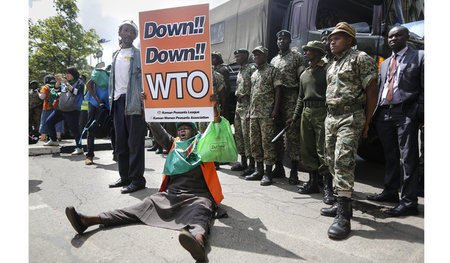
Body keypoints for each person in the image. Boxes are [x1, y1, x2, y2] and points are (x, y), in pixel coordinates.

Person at [65, 103, 225, 262]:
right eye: (179, 128)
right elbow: (159, 131)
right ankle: (89, 220)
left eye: (186, 128)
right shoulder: (173, 145)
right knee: (139, 207)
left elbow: (217, 130)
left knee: (200, 213)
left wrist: (214, 110)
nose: (182, 130)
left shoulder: (203, 145)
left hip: (198, 196)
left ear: (194, 131)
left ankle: (198, 243)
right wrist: (149, 108)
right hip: (171, 195)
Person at [320, 22, 378, 239]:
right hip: (331, 116)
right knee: (331, 161)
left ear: (350, 40)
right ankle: (340, 203)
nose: (331, 41)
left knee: (344, 161)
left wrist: (367, 122)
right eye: (331, 38)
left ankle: (344, 217)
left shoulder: (360, 58)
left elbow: (372, 92)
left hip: (350, 116)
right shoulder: (333, 64)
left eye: (338, 37)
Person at [366, 26, 424, 217]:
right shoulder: (385, 63)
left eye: (398, 35)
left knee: (408, 159)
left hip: (406, 112)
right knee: (390, 157)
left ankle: (409, 202)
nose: (393, 39)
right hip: (384, 114)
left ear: (406, 37)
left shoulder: (420, 57)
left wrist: (420, 113)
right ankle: (390, 192)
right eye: (390, 36)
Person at [286, 41, 334, 205]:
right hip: (306, 113)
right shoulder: (304, 74)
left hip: (322, 112)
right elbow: (300, 97)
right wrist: (295, 116)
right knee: (307, 149)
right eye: (305, 50)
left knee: (323, 150)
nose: (305, 53)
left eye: (309, 51)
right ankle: (313, 182)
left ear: (319, 52)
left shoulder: (327, 70)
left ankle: (328, 187)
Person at [107, 20, 147, 194]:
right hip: (117, 102)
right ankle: (124, 177)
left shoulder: (139, 54)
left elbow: (145, 79)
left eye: (132, 32)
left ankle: (138, 179)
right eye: (125, 30)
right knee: (120, 142)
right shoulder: (115, 54)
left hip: (134, 102)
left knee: (135, 143)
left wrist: (145, 104)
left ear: (135, 36)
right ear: (120, 33)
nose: (128, 34)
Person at [270, 30, 307, 185]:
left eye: (284, 39)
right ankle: (279, 166)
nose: (281, 41)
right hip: (276, 99)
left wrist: (302, 100)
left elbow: (302, 79)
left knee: (292, 135)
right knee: (276, 132)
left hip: (292, 97)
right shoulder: (273, 60)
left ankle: (294, 171)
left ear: (289, 41)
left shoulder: (297, 57)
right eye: (279, 39)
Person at [245, 46, 282, 186]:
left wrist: (275, 110)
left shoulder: (273, 71)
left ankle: (268, 173)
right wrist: (249, 111)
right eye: (254, 55)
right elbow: (252, 95)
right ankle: (258, 170)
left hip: (266, 113)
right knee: (255, 143)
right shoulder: (254, 74)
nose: (256, 57)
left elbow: (278, 91)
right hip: (254, 113)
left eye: (258, 55)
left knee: (267, 143)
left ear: (265, 56)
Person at [44, 68, 84, 155]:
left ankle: (79, 147)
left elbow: (76, 92)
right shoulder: (63, 83)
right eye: (66, 74)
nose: (67, 76)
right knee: (49, 121)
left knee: (74, 129)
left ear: (74, 74)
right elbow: (56, 90)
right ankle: (54, 140)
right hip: (60, 109)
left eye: (69, 74)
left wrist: (66, 83)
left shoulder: (79, 82)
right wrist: (58, 81)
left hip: (72, 110)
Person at [230, 49, 256, 176]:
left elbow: (255, 89)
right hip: (239, 105)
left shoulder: (252, 68)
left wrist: (252, 108)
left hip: (247, 104)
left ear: (246, 56)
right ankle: (243, 162)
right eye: (235, 56)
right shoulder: (240, 70)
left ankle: (252, 165)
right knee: (239, 135)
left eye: (238, 56)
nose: (236, 58)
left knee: (247, 136)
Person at [84, 67, 111, 165]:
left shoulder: (117, 73)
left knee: (111, 127)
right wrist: (97, 99)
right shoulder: (101, 73)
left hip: (108, 104)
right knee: (91, 127)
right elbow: (88, 84)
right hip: (94, 103)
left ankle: (116, 153)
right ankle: (89, 155)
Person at [37, 75, 64, 142]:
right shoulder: (58, 86)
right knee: (58, 121)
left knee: (44, 122)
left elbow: (42, 97)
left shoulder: (45, 87)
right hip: (57, 107)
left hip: (47, 107)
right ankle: (58, 136)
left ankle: (43, 137)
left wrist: (38, 93)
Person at [212, 51, 230, 120]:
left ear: (219, 59)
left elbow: (226, 86)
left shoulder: (223, 70)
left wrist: (224, 101)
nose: (212, 59)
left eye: (214, 58)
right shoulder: (214, 69)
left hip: (222, 98)